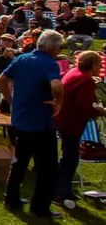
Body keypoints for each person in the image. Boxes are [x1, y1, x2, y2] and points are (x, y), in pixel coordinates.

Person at [0, 29, 64, 218]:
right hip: (41, 123)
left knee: (19, 161)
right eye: (60, 46)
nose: (60, 50)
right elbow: (57, 86)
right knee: (47, 168)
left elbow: (1, 80)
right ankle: (40, 207)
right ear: (52, 47)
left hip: (20, 120)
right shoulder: (50, 64)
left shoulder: (21, 59)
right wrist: (59, 102)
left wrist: (10, 101)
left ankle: (11, 197)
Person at [54, 51, 106, 208]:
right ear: (93, 64)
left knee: (68, 157)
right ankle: (60, 192)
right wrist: (100, 111)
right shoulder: (86, 80)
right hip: (71, 123)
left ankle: (65, 190)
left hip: (63, 120)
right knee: (70, 159)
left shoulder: (74, 72)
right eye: (99, 64)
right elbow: (85, 106)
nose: (101, 67)